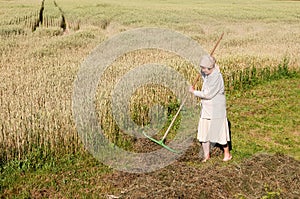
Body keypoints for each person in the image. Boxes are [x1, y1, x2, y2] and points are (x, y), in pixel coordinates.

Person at [189, 55, 232, 162]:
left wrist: (194, 92)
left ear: (210, 68)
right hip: (206, 110)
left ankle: (227, 154)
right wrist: (207, 61)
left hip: (216, 109)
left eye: (204, 68)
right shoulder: (208, 74)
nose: (202, 70)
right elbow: (205, 76)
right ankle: (206, 156)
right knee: (204, 134)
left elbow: (208, 94)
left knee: (220, 134)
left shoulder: (216, 77)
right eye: (202, 68)